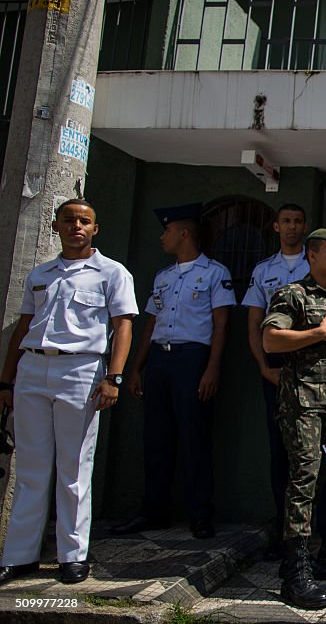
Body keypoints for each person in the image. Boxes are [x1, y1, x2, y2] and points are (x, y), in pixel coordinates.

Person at [0, 199, 137, 585]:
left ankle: (72, 555)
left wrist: (115, 377)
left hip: (81, 369)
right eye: (69, 220)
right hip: (33, 367)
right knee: (31, 467)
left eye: (85, 220)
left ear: (95, 228)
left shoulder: (112, 273)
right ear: (56, 227)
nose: (77, 226)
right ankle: (20, 556)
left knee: (74, 468)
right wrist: (6, 380)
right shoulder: (41, 273)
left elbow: (123, 326)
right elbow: (23, 328)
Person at [113, 203, 235, 539]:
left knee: (195, 438)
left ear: (184, 233)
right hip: (160, 361)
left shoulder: (214, 273)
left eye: (167, 231)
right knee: (156, 439)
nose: (162, 238)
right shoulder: (163, 276)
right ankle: (153, 510)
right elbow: (150, 325)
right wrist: (136, 368)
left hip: (192, 359)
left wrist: (212, 368)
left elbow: (221, 325)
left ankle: (200, 514)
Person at [242, 204, 326, 569]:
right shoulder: (285, 287)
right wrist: (266, 368)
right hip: (295, 392)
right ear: (311, 255)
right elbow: (264, 331)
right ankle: (292, 556)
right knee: (294, 469)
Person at [262, 228, 326, 610]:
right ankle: (296, 571)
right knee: (302, 481)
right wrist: (315, 332)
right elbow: (271, 340)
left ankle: (323, 550)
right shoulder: (292, 294)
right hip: (302, 403)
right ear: (312, 256)